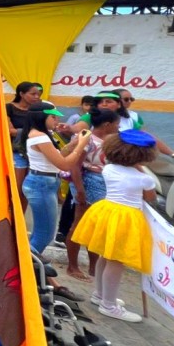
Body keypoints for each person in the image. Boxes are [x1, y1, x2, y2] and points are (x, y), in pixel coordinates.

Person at [71, 131, 157, 323]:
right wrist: (140, 169)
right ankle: (109, 305)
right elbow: (151, 198)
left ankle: (100, 294)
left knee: (106, 255)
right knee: (116, 261)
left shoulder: (109, 169)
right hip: (127, 217)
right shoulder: (143, 179)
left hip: (107, 211)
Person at [17, 104, 90, 255]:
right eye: (53, 117)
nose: (57, 120)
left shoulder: (38, 134)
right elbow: (64, 164)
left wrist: (73, 144)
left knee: (41, 232)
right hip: (42, 183)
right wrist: (81, 145)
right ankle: (29, 267)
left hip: (42, 182)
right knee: (45, 234)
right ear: (41, 117)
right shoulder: (40, 136)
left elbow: (58, 156)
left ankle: (29, 265)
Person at [64, 109, 119, 281]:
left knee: (96, 227)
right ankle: (72, 266)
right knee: (79, 223)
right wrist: (80, 190)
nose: (118, 127)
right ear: (107, 124)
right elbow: (75, 166)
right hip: (87, 181)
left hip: (100, 183)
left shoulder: (107, 140)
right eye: (116, 123)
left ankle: (93, 266)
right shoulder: (87, 139)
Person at [6, 82, 41, 210]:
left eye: (38, 94)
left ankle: (21, 218)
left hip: (33, 152)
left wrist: (22, 131)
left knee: (27, 190)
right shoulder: (9, 108)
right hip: (16, 152)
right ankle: (11, 216)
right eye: (33, 94)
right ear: (21, 94)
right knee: (16, 188)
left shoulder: (36, 110)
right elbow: (10, 131)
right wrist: (31, 132)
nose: (36, 97)